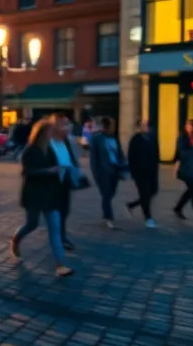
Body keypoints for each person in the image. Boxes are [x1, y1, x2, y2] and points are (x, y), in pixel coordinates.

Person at [9, 119, 74, 277]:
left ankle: (60, 264)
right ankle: (16, 239)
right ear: (42, 133)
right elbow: (27, 172)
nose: (53, 134)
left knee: (55, 228)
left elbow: (57, 167)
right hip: (34, 194)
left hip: (50, 193)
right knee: (32, 224)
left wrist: (61, 172)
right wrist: (48, 171)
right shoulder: (30, 150)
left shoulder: (50, 150)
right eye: (50, 131)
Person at [50, 115, 87, 251]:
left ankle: (61, 237)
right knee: (33, 222)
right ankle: (17, 238)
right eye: (63, 125)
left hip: (64, 181)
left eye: (67, 124)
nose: (67, 127)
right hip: (50, 182)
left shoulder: (68, 141)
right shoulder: (46, 141)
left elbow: (73, 158)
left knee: (63, 211)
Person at [87, 117, 127, 229]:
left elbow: (120, 153)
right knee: (106, 194)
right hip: (103, 171)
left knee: (111, 193)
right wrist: (96, 173)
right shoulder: (97, 139)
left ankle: (107, 213)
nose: (113, 128)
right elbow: (94, 158)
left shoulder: (115, 138)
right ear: (105, 127)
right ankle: (108, 217)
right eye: (112, 126)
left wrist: (123, 166)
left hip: (115, 169)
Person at [125, 120, 159, 227]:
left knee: (153, 191)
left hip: (152, 171)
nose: (147, 128)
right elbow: (131, 156)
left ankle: (132, 205)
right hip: (139, 172)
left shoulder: (153, 139)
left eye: (148, 126)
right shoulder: (135, 140)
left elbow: (156, 154)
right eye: (144, 126)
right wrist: (132, 171)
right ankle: (148, 217)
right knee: (145, 193)